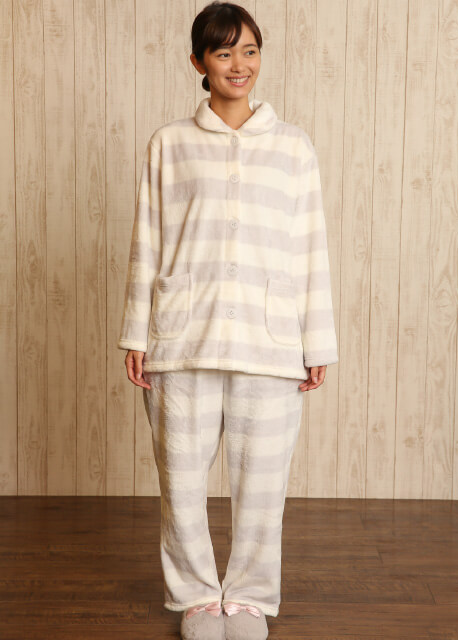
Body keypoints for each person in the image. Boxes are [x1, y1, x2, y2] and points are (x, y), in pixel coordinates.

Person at [117, 2, 338, 639]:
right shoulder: (169, 144)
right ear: (199, 62)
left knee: (262, 486)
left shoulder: (293, 146)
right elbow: (148, 241)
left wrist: (316, 342)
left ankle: (247, 600)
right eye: (223, 53)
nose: (239, 65)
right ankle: (195, 598)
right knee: (181, 483)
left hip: (269, 342)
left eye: (249, 51)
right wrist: (136, 332)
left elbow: (310, 248)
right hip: (182, 338)